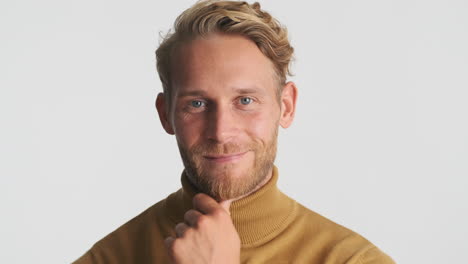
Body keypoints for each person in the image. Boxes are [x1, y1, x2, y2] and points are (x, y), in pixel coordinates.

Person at [74, 1, 395, 263]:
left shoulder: (352, 260)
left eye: (245, 100)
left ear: (286, 106)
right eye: (197, 104)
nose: (222, 132)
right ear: (166, 114)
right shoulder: (110, 258)